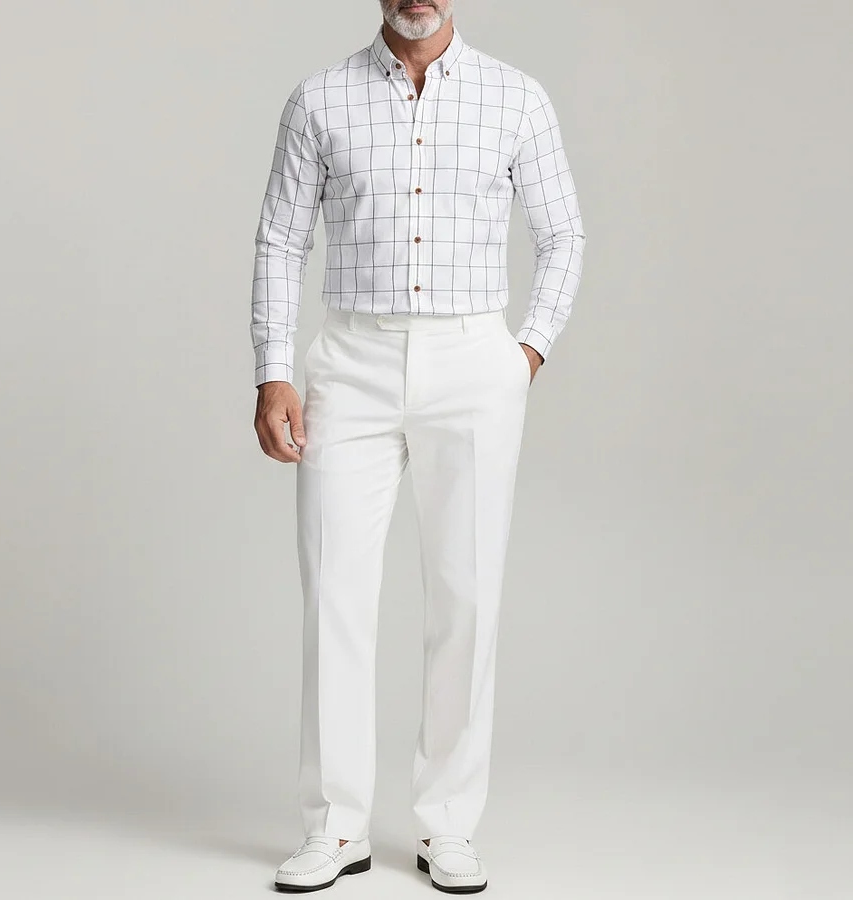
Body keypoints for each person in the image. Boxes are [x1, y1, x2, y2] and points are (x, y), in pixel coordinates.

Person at [251, 0, 585, 892]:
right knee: (335, 593)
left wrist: (526, 353)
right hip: (350, 358)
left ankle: (449, 825)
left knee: (466, 595)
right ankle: (336, 827)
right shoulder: (319, 98)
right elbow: (282, 240)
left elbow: (563, 234)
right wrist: (273, 370)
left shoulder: (517, 97)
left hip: (472, 359)